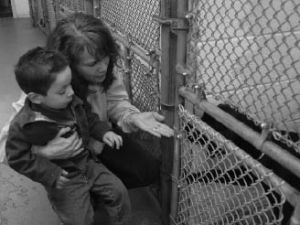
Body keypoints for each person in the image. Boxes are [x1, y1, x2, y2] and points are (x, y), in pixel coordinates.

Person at [36, 12, 174, 189]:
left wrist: (131, 116)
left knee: (148, 171)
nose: (103, 67)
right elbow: (6, 145)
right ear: (68, 65)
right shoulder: (47, 87)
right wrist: (43, 152)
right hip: (69, 153)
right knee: (78, 193)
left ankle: (99, 187)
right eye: (92, 64)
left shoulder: (103, 73)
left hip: (99, 136)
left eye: (105, 57)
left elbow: (116, 102)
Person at [6, 47, 130, 225]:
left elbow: (89, 118)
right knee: (80, 219)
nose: (71, 92)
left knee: (118, 192)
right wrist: (50, 173)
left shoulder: (72, 102)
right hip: (63, 176)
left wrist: (104, 132)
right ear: (36, 98)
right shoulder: (24, 124)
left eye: (70, 85)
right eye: (62, 91)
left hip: (87, 164)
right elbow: (17, 158)